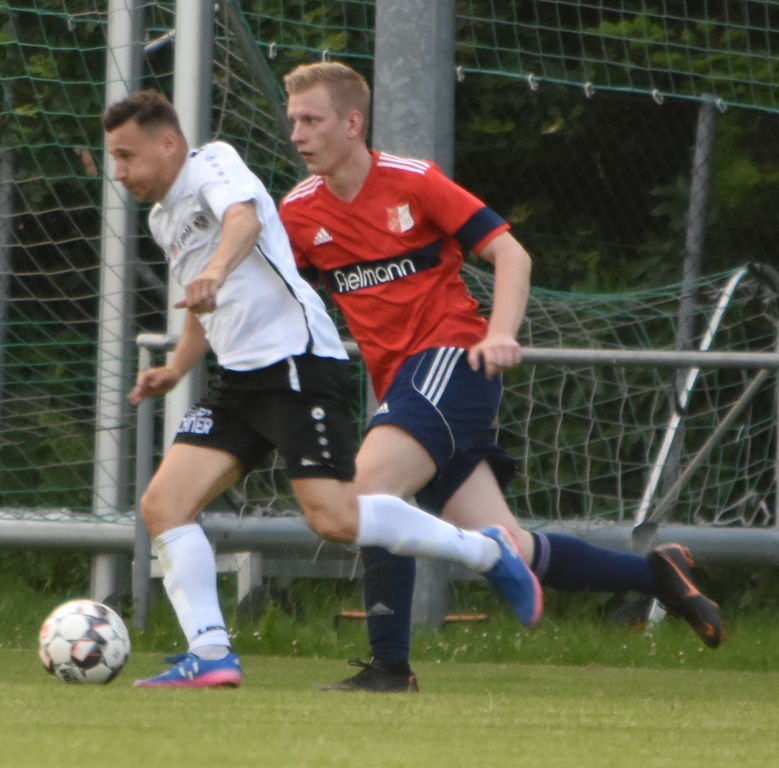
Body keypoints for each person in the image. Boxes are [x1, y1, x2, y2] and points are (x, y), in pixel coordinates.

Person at [279, 62, 724, 692]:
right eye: (293, 120)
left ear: (352, 124)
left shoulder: (413, 181)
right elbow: (281, 297)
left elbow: (510, 253)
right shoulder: (298, 213)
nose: (297, 133)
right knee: (513, 546)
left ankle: (390, 668)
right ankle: (658, 576)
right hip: (404, 387)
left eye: (311, 120)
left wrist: (501, 332)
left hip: (453, 361)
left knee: (369, 496)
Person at [104, 90, 545, 688]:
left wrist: (216, 268)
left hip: (295, 365)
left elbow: (243, 221)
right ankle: (210, 654)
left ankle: (487, 552)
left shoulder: (215, 164)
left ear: (168, 143)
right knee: (163, 506)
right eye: (115, 158)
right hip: (240, 380)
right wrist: (178, 368)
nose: (120, 172)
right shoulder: (164, 218)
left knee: (335, 517)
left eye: (127, 155)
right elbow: (201, 304)